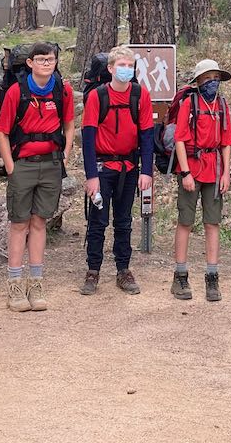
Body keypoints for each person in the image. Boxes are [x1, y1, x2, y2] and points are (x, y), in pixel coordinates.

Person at [0, 41, 74, 312]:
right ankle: (15, 285)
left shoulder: (63, 90)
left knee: (40, 222)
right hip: (23, 165)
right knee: (19, 224)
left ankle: (36, 282)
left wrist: (66, 154)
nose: (46, 63)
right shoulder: (17, 92)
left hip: (51, 164)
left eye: (50, 59)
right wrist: (10, 166)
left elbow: (69, 123)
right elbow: (2, 131)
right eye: (40, 59)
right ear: (30, 63)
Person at [80, 45, 154, 296]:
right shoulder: (97, 96)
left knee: (124, 222)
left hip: (130, 167)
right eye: (121, 66)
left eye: (129, 66)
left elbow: (147, 135)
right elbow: (88, 138)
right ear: (110, 68)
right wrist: (91, 177)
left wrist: (147, 171)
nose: (126, 70)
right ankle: (93, 271)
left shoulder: (140, 95)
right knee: (97, 222)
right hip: (102, 167)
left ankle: (123, 269)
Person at [170, 59, 231, 302]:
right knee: (185, 221)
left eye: (215, 78)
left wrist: (226, 172)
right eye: (207, 79)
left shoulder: (223, 106)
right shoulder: (189, 104)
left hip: (214, 169)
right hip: (192, 167)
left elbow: (226, 142)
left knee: (212, 223)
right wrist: (185, 172)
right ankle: (180, 275)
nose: (212, 83)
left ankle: (212, 276)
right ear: (198, 82)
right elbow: (179, 139)